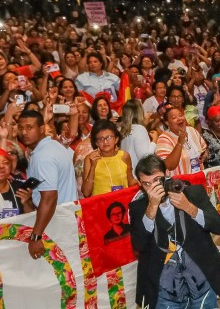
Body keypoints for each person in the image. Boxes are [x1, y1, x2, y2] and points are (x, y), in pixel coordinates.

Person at [129, 154, 220, 308]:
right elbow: (139, 245)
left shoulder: (192, 193)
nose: (154, 187)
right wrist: (151, 209)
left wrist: (190, 208)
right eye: (147, 184)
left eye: (158, 180)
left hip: (200, 281)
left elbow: (219, 227)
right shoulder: (138, 208)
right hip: (164, 290)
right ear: (141, 186)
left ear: (167, 176)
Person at [21, 110, 77, 260]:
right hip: (65, 217)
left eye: (29, 127)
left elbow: (49, 198)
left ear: (41, 129)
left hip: (56, 222)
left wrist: (35, 237)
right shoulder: (54, 145)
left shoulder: (42, 156)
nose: (24, 132)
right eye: (21, 128)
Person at [81, 120, 137, 197]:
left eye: (109, 137)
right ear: (96, 142)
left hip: (122, 203)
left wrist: (143, 183)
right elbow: (86, 193)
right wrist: (93, 167)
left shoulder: (124, 156)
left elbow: (130, 181)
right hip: (101, 205)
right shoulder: (90, 159)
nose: (105, 142)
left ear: (116, 139)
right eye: (101, 139)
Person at [155, 107, 208, 176]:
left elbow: (205, 149)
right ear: (167, 123)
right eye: (174, 118)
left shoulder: (192, 131)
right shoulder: (164, 139)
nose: (179, 119)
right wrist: (179, 143)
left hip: (199, 177)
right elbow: (168, 166)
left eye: (180, 115)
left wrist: (205, 155)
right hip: (180, 183)